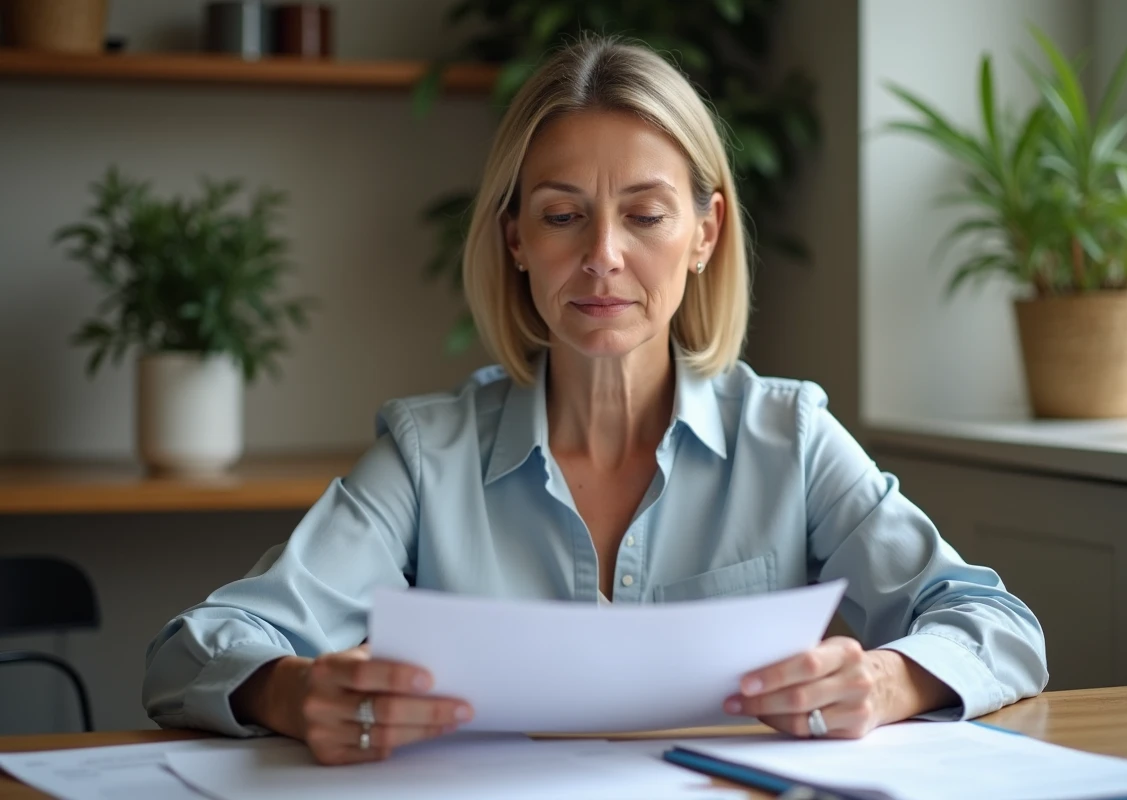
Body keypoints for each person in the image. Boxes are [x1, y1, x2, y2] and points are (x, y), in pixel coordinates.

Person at [142, 36, 1048, 766]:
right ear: (516, 241)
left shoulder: (790, 437)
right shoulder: (429, 456)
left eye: (646, 215)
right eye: (563, 214)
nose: (603, 254)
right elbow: (195, 646)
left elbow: (999, 626)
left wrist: (889, 681)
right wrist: (290, 693)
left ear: (705, 231)